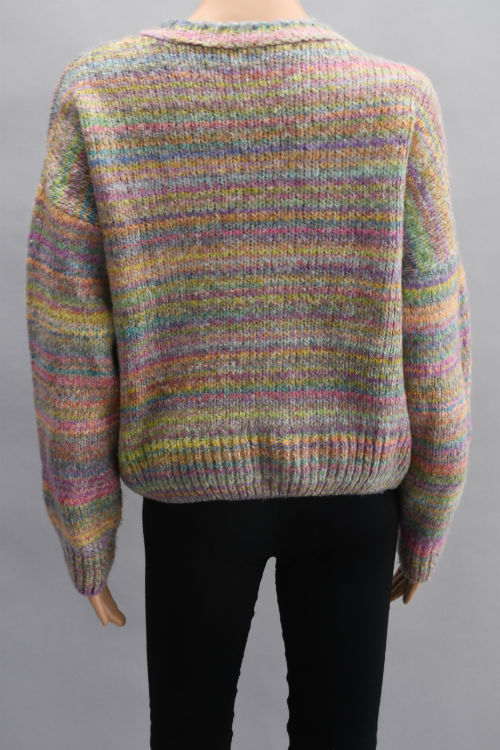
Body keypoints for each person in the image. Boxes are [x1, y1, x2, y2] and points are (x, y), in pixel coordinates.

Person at [25, 0, 472, 747]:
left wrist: (85, 528)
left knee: (186, 734)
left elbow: (67, 340)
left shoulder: (101, 91)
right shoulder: (396, 100)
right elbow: (434, 331)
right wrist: (430, 513)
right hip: (354, 504)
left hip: (194, 502)